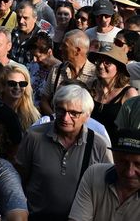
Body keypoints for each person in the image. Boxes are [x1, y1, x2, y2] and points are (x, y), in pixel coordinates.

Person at [16, 84, 113, 220]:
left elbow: (108, 188)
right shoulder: (34, 136)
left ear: (87, 116)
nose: (65, 118)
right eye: (61, 110)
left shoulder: (98, 145)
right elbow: (18, 178)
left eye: (73, 113)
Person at [69, 128, 140, 220]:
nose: (129, 172)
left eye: (138, 164)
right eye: (123, 162)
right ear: (114, 157)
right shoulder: (94, 174)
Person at [87, 45, 138, 145]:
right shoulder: (90, 86)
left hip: (113, 149)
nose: (101, 66)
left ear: (118, 67)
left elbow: (132, 130)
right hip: (88, 143)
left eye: (107, 63)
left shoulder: (129, 93)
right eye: (99, 61)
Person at [40, 29, 96, 115]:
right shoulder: (56, 70)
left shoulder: (95, 74)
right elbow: (44, 100)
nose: (60, 48)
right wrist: (54, 118)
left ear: (77, 50)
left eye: (64, 45)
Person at [2, 65, 40, 133]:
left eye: (22, 84)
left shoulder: (32, 114)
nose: (17, 87)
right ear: (3, 85)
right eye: (12, 83)